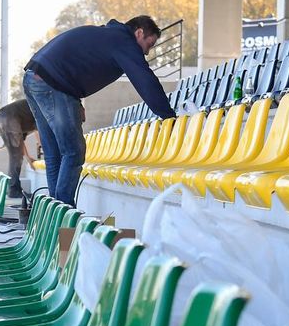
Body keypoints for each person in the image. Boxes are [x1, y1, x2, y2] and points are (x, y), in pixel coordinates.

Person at [24, 15, 177, 206]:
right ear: (139, 33)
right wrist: (168, 115)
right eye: (149, 44)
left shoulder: (108, 36)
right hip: (53, 83)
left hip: (34, 78)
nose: (146, 52)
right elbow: (144, 80)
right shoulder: (123, 41)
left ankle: (55, 213)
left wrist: (76, 101)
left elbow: (75, 63)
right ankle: (64, 211)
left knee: (54, 151)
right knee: (73, 152)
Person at [0, 98, 37, 199]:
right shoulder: (40, 106)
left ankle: (13, 188)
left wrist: (28, 158)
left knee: (16, 156)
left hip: (1, 117)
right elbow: (41, 134)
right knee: (15, 156)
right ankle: (13, 189)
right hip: (8, 117)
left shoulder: (25, 116)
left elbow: (21, 144)